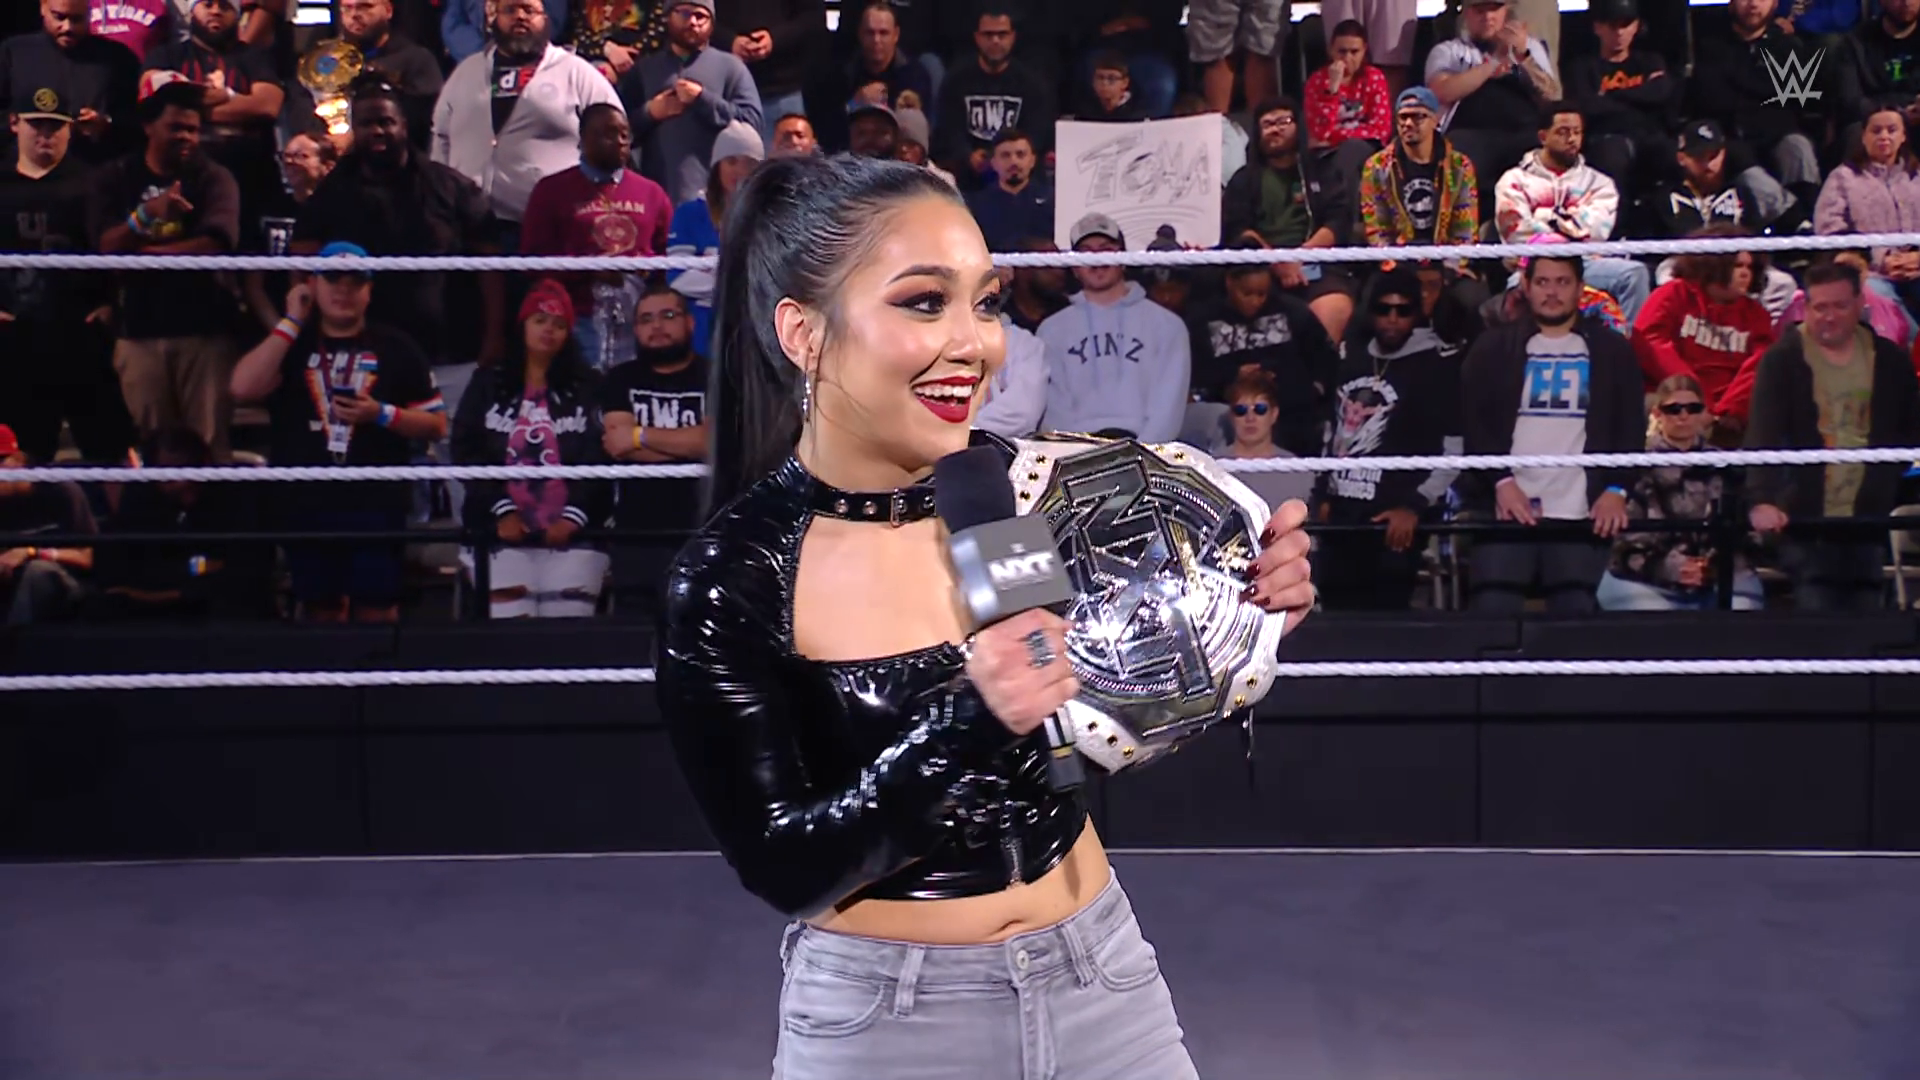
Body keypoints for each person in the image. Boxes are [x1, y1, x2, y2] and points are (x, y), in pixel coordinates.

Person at [656, 152, 1315, 1077]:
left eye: (988, 302)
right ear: (804, 333)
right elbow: (786, 866)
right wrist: (971, 718)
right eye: (925, 302)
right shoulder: (735, 576)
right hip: (888, 1027)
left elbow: (1088, 726)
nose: (977, 345)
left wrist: (1237, 604)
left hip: (1107, 980)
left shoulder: (1014, 490)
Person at [228, 242, 448, 623]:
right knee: (322, 610)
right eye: (332, 280)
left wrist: (382, 414)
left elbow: (437, 425)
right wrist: (291, 321)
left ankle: (376, 665)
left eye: (355, 282)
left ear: (369, 291)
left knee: (378, 610)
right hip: (306, 500)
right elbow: (241, 388)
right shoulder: (291, 343)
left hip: (376, 502)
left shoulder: (396, 346)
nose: (343, 291)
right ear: (312, 285)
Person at [1460, 249, 1644, 614]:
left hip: (1580, 515)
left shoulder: (1612, 350)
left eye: (1563, 282)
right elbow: (1472, 422)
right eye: (1543, 282)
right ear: (1526, 286)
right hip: (1505, 512)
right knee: (1493, 617)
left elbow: (1630, 427)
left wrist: (1617, 489)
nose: (1552, 292)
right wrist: (1500, 481)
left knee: (1574, 625)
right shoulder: (1493, 347)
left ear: (1580, 288)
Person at [1744, 259, 1920, 611]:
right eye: (1820, 307)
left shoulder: (1889, 360)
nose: (1828, 316)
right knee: (1820, 606)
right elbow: (1763, 432)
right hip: (1804, 520)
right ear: (1806, 307)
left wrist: (1886, 478)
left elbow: (1910, 429)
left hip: (1867, 519)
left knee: (1867, 613)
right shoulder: (1783, 359)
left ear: (1860, 304)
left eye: (1839, 306)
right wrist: (1762, 499)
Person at [453, 279, 612, 619]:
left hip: (576, 535)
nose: (548, 330)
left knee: (567, 629)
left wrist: (573, 517)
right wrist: (503, 511)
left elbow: (600, 454)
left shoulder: (590, 386)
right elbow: (466, 450)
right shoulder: (487, 382)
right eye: (540, 320)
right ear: (522, 325)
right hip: (498, 533)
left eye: (559, 324)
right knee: (513, 629)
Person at [1315, 265, 1457, 610]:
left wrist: (1414, 506)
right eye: (1384, 309)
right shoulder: (1352, 358)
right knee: (1334, 619)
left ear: (1417, 313)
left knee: (1383, 622)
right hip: (1341, 515)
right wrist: (1322, 492)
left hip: (1396, 521)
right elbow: (1331, 430)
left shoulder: (1437, 366)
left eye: (1402, 310)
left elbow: (1454, 450)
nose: (1392, 319)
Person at [1597, 375, 1765, 611]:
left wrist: (1711, 567)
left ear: (1703, 413)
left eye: (1692, 408)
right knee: (1654, 615)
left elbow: (1747, 534)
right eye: (1674, 409)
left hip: (1715, 578)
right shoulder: (1635, 465)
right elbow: (1624, 544)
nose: (1683, 416)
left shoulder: (1726, 465)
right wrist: (1669, 568)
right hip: (1646, 579)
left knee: (1741, 605)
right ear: (1658, 414)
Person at [1037, 213, 1191, 443]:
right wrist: (1075, 452)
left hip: (1146, 452)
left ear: (1123, 258)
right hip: (1075, 454)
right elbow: (1054, 408)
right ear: (1075, 267)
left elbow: (1168, 407)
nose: (1097, 260)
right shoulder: (1051, 331)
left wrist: (1143, 452)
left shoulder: (1168, 326)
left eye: (1106, 249)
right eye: (1086, 252)